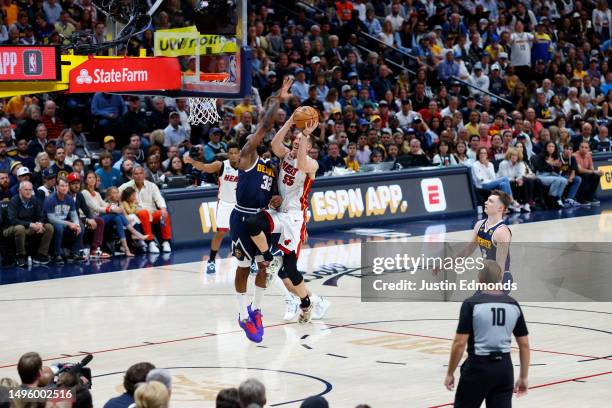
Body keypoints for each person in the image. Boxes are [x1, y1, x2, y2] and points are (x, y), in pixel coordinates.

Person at [229, 77, 292, 343]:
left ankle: (257, 309)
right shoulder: (248, 157)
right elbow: (264, 126)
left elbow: (274, 193)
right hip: (242, 218)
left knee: (264, 265)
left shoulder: (271, 166)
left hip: (262, 219)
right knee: (244, 267)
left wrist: (276, 199)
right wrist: (278, 99)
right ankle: (243, 313)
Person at [253, 114, 330, 322]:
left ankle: (309, 302)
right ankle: (270, 262)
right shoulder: (286, 155)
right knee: (254, 225)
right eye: (294, 141)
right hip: (279, 213)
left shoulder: (312, 164)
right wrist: (290, 123)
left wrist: (304, 134)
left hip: (295, 219)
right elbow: (274, 143)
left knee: (289, 269)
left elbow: (302, 161)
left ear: (307, 145)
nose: (295, 144)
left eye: (300, 142)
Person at [444, 259, 530, 407]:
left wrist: (450, 372)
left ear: (480, 278)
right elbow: (524, 345)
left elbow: (459, 344)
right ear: (500, 278)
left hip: (478, 368)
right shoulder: (513, 304)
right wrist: (523, 376)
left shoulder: (471, 304)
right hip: (504, 370)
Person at [183, 143, 240, 274]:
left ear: (240, 153)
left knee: (246, 234)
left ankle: (252, 261)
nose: (233, 155)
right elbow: (204, 167)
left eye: (235, 153)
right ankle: (212, 261)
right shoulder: (221, 165)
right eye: (230, 153)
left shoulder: (245, 166)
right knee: (220, 233)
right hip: (225, 204)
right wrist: (192, 161)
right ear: (227, 154)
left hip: (240, 204)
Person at [119, 166, 172, 253]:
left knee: (163, 213)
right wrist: (121, 205)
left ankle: (166, 242)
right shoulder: (126, 186)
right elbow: (116, 195)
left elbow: (159, 198)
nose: (139, 176)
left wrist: (163, 208)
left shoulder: (152, 185)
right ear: (132, 176)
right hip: (136, 213)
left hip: (152, 213)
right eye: (136, 174)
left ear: (144, 175)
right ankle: (150, 242)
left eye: (141, 173)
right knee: (143, 212)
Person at [5, 181, 53, 266]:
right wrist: (31, 225)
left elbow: (40, 215)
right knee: (20, 228)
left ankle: (41, 255)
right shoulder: (14, 201)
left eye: (30, 190)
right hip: (11, 228)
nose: (28, 192)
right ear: (20, 190)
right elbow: (13, 220)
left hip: (30, 227)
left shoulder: (34, 200)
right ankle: (21, 256)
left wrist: (40, 224)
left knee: (49, 227)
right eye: (26, 189)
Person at [68, 172, 111, 259]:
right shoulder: (66, 196)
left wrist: (91, 219)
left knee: (99, 221)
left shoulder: (79, 195)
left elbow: (86, 210)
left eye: (78, 183)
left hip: (79, 218)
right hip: (68, 220)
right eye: (73, 184)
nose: (76, 186)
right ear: (68, 185)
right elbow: (70, 214)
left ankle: (95, 249)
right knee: (80, 225)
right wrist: (87, 220)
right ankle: (77, 251)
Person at [45, 178, 84, 264]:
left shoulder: (69, 199)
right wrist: (69, 223)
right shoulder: (50, 199)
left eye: (66, 186)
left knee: (80, 226)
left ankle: (74, 253)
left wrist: (76, 224)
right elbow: (51, 219)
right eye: (62, 186)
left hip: (64, 222)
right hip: (51, 223)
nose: (64, 188)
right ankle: (56, 254)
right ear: (56, 186)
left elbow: (74, 215)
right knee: (59, 228)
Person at [574, 141, 603, 205]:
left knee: (596, 176)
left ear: (588, 149)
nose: (584, 149)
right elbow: (580, 170)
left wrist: (596, 173)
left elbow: (591, 166)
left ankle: (590, 197)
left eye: (586, 147)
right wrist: (593, 171)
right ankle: (581, 199)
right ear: (579, 148)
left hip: (586, 173)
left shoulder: (588, 155)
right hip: (576, 174)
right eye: (582, 147)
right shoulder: (575, 155)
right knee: (585, 175)